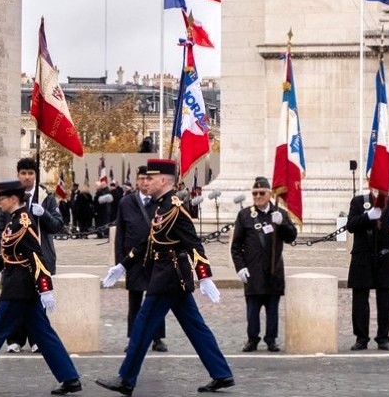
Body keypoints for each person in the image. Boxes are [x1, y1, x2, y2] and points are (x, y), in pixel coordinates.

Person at [98, 159, 233, 395]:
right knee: (195, 327)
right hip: (169, 276)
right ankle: (221, 373)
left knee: (142, 325)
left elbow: (194, 244)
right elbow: (148, 241)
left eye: (150, 178)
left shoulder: (175, 209)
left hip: (168, 277)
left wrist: (205, 277)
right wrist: (123, 265)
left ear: (162, 180)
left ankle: (126, 379)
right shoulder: (162, 206)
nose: (145, 182)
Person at [0, 180, 82, 396]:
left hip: (19, 289)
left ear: (13, 199)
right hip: (19, 287)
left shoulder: (24, 223)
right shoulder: (14, 221)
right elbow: (8, 256)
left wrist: (45, 288)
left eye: (2, 197)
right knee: (45, 335)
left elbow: (36, 257)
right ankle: (70, 378)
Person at [0, 157, 64, 353]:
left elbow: (58, 226)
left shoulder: (47, 197)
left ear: (36, 175)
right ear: (18, 175)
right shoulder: (10, 198)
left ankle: (37, 338)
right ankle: (15, 339)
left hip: (40, 258)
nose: (27, 177)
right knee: (15, 299)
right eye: (23, 173)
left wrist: (44, 213)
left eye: (31, 173)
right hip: (15, 261)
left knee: (38, 301)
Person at [229, 177, 297, 352]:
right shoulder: (244, 215)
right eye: (254, 193)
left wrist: (282, 225)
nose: (257, 196)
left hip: (274, 269)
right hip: (253, 271)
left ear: (269, 194)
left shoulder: (279, 213)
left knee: (272, 308)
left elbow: (291, 237)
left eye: (261, 193)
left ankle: (271, 339)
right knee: (253, 309)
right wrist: (240, 267)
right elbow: (236, 246)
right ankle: (252, 339)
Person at [347, 182, 389, 351]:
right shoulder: (359, 202)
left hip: (387, 258)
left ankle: (383, 338)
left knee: (385, 301)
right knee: (360, 301)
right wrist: (368, 217)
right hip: (363, 258)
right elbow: (350, 226)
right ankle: (361, 338)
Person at [113, 165, 167, 353]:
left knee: (156, 299)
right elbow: (120, 234)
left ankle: (157, 338)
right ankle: (134, 338)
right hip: (133, 259)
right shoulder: (126, 202)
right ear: (137, 180)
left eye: (148, 179)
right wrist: (120, 262)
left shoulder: (160, 202)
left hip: (156, 259)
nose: (145, 182)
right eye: (142, 178)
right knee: (134, 301)